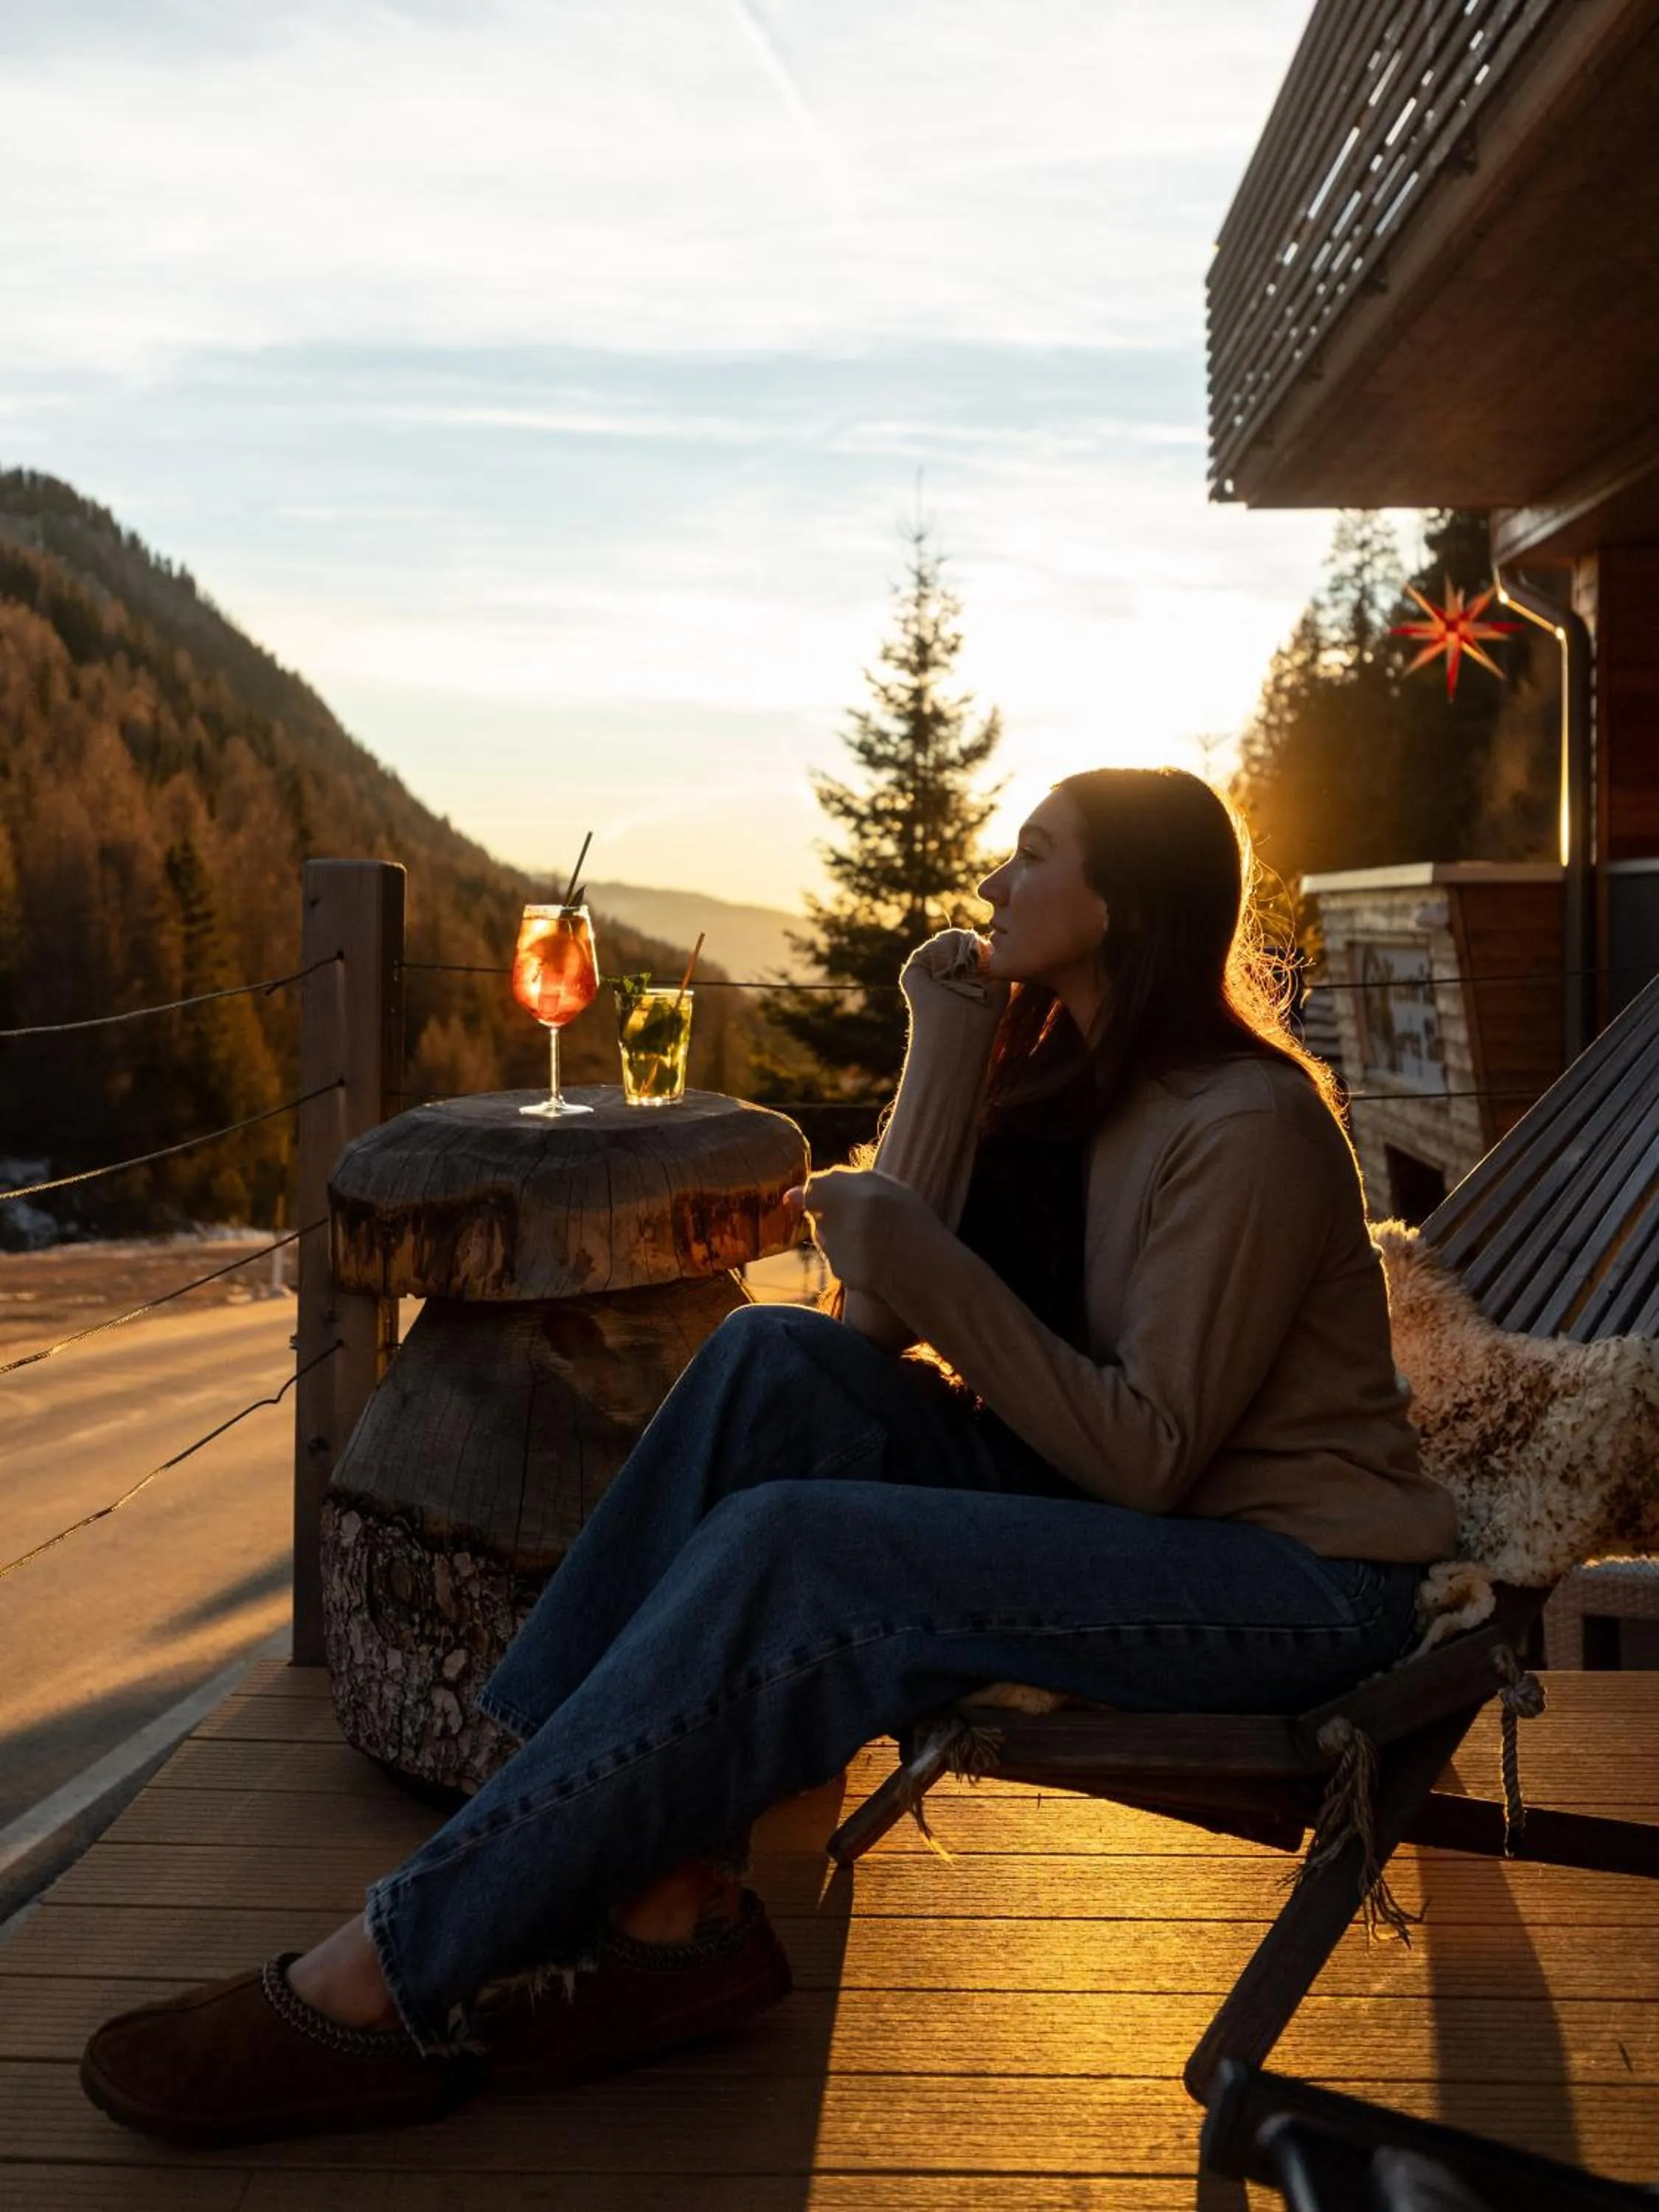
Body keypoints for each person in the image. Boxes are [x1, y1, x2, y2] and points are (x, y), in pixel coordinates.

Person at [81, 767, 1458, 2146]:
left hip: (1290, 1581)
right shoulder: (1082, 1085)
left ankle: (393, 1969)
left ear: (1125, 908)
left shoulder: (1245, 1123)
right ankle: (631, 1887)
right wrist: (951, 1028)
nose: (994, 881)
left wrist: (925, 1261)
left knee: (800, 1545)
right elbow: (864, 1325)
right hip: (1152, 1522)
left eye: (1035, 856)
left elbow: (1149, 1457)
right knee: (771, 1362)